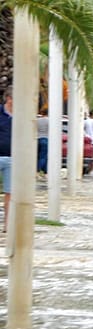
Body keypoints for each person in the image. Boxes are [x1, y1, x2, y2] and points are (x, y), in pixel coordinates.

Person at [0, 88, 12, 233]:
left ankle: (7, 225)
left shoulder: (22, 115)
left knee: (10, 193)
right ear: (9, 98)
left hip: (12, 158)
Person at [36, 109, 49, 174]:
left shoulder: (37, 120)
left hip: (37, 139)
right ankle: (37, 171)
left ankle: (45, 171)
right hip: (46, 139)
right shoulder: (49, 120)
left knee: (38, 156)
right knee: (43, 157)